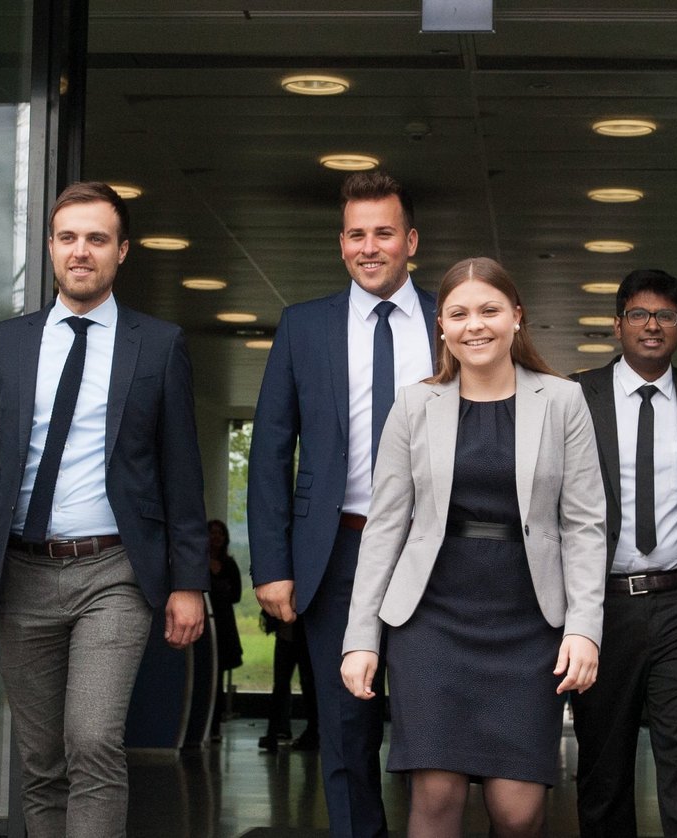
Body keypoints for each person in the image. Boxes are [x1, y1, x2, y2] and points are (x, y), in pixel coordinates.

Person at [0, 181, 208, 836]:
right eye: (68, 237)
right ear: (50, 247)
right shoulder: (9, 343)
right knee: (40, 759)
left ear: (122, 251)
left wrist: (190, 583)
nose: (81, 251)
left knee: (94, 739)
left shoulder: (157, 346)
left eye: (97, 239)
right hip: (23, 575)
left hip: (113, 572)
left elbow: (182, 472)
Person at [341, 256, 607, 838]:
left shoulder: (563, 401)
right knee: (435, 799)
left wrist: (584, 628)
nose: (474, 325)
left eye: (489, 310)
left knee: (517, 811)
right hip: (431, 623)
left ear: (517, 317)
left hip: (530, 623)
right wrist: (361, 638)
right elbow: (385, 527)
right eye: (458, 313)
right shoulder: (414, 405)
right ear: (442, 326)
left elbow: (585, 524)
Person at [247, 170, 437, 837]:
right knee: (344, 728)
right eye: (356, 234)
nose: (369, 246)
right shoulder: (305, 326)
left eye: (384, 232)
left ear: (410, 240)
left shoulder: (452, 321)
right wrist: (271, 563)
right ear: (341, 243)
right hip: (339, 553)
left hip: (434, 552)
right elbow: (271, 448)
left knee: (433, 731)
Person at [571, 270, 677, 838]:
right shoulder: (575, 395)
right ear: (617, 325)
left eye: (665, 316)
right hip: (602, 608)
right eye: (640, 315)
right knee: (603, 767)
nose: (653, 325)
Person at [260, 612, 320, 752]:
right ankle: (311, 733)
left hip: (288, 633)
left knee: (282, 685)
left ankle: (274, 733)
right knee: (308, 685)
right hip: (302, 634)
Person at [207, 519, 245, 740]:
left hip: (223, 626)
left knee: (218, 677)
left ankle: (215, 727)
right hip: (204, 625)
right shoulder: (196, 563)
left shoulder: (229, 564)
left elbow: (236, 595)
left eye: (220, 533)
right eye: (212, 533)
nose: (216, 537)